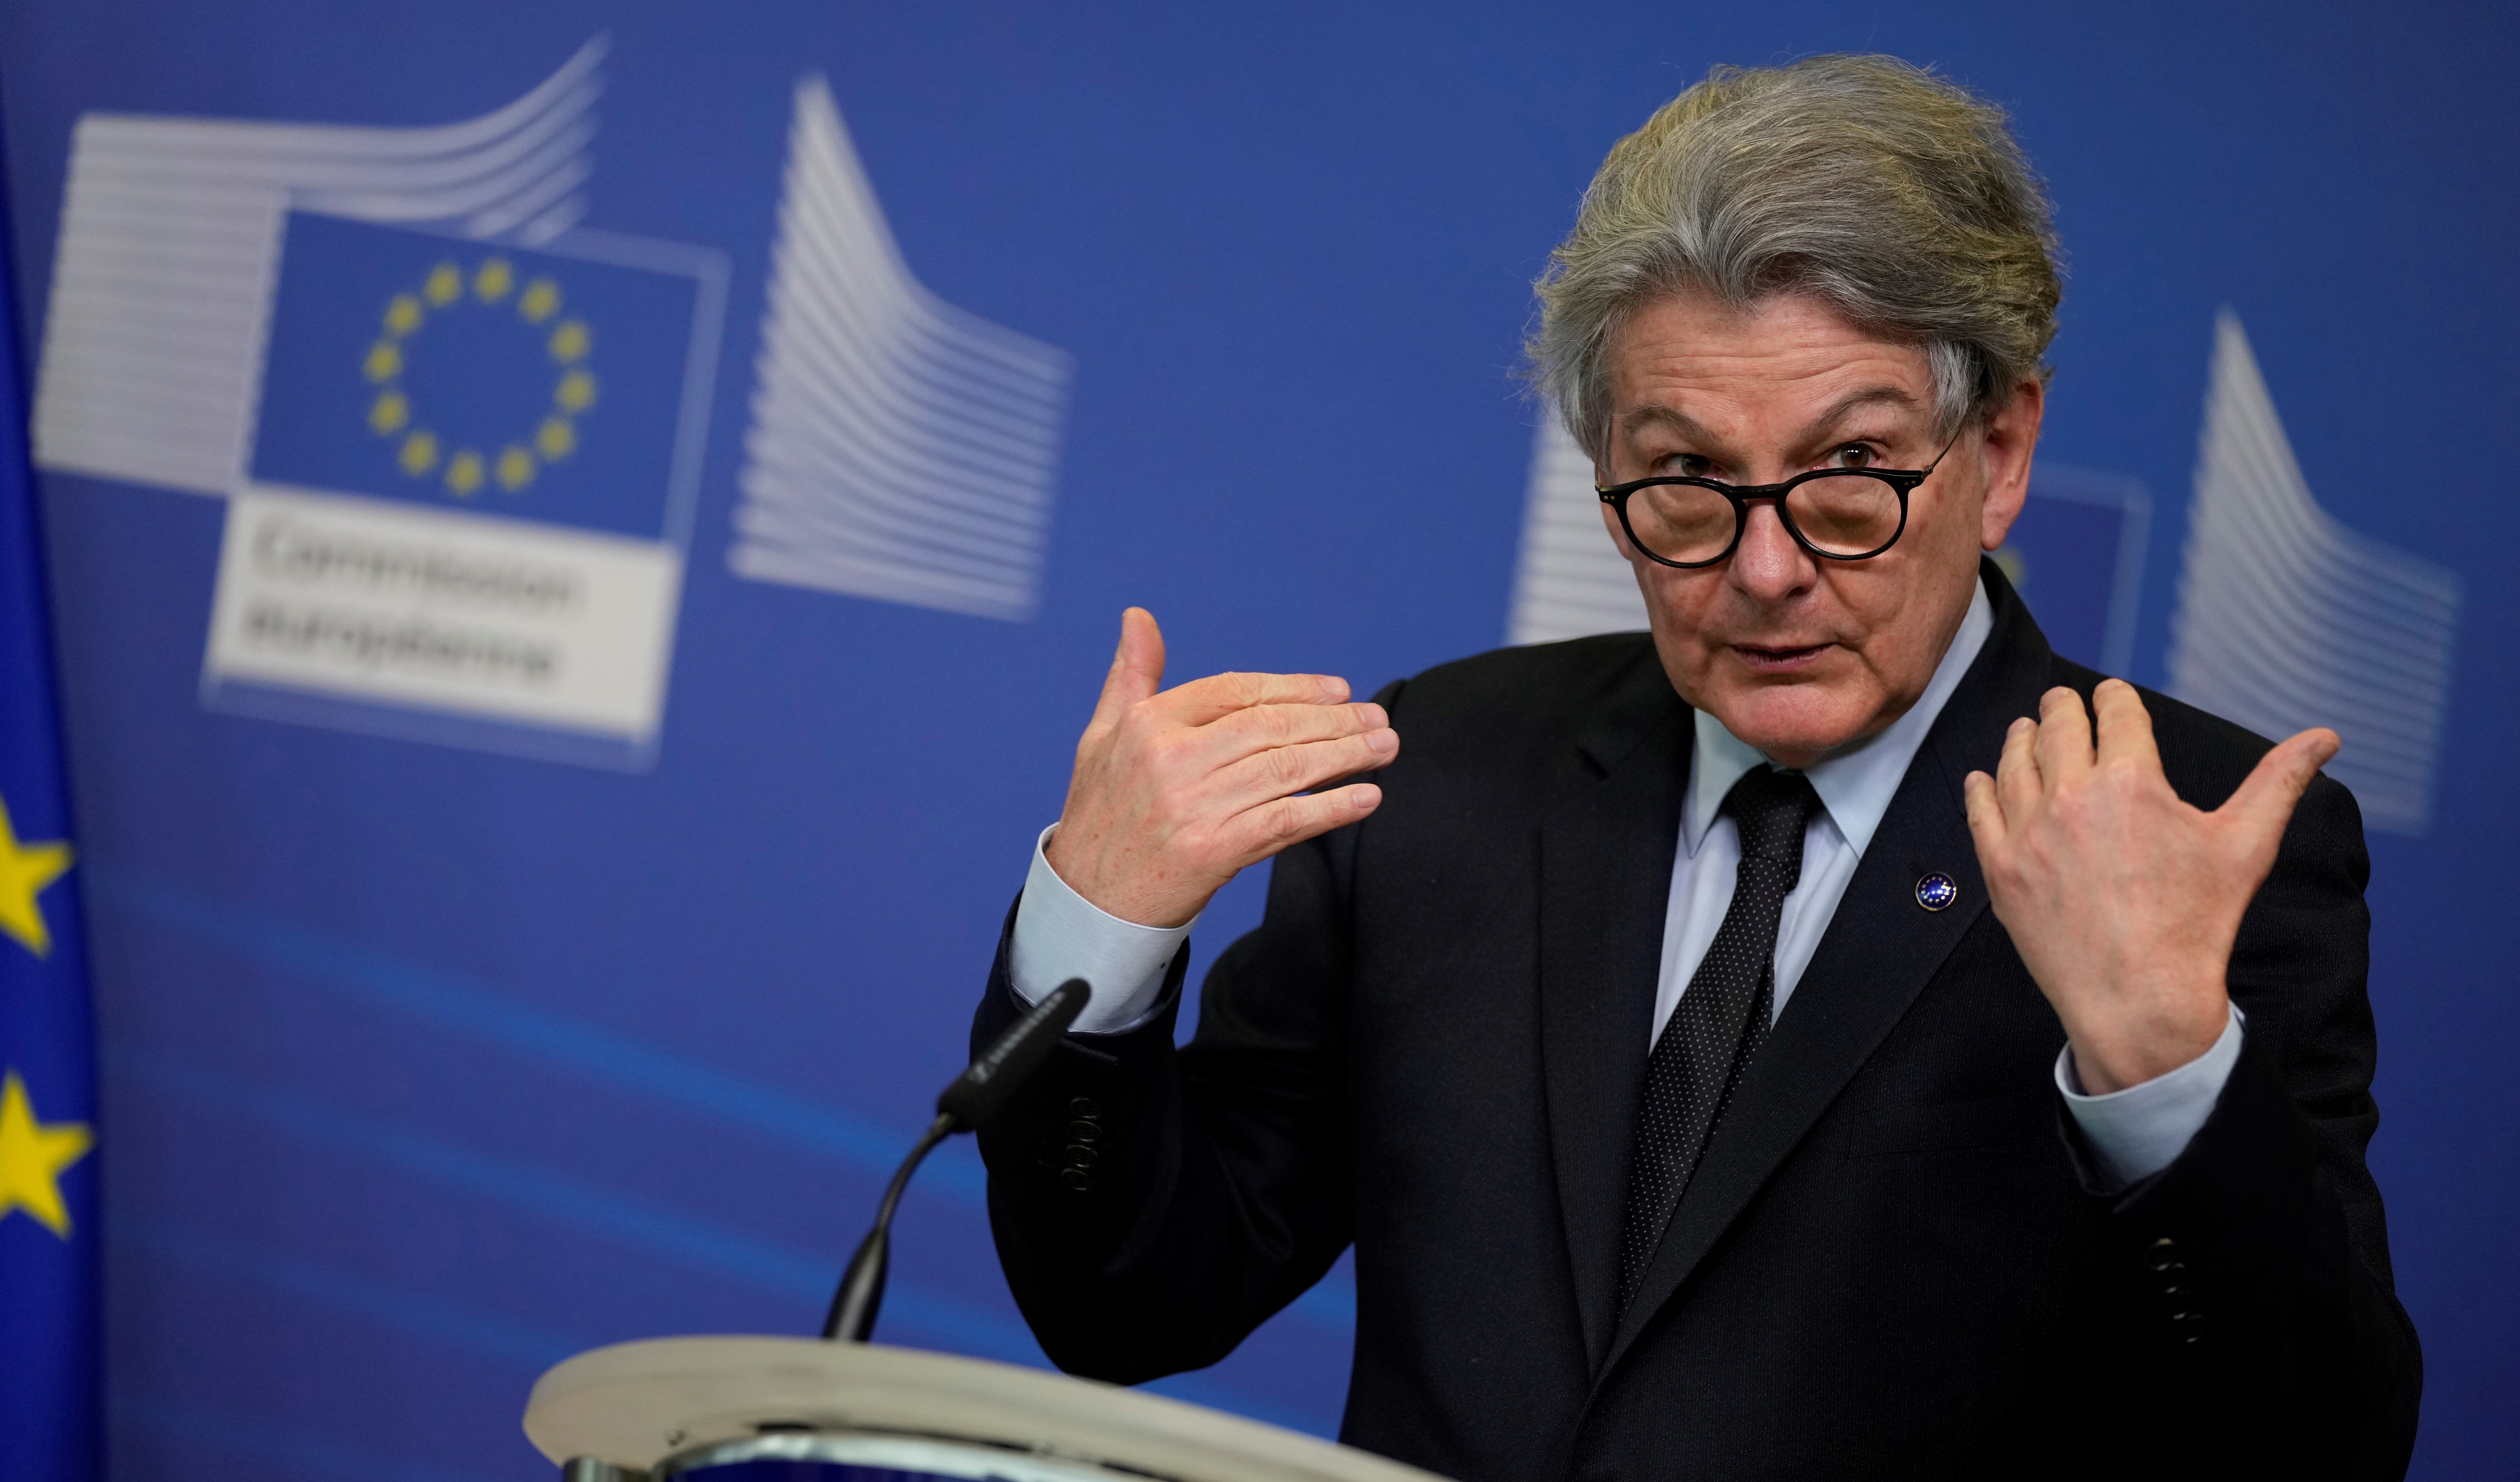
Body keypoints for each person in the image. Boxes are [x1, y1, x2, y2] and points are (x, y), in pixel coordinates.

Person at [968, 55, 2419, 1479]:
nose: (1767, 570)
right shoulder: (1444, 774)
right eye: (1686, 481)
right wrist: (1096, 932)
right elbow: (1131, 1303)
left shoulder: (2194, 836)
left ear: (2001, 448)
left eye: (1849, 473)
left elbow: (2320, 1449)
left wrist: (2161, 1070)